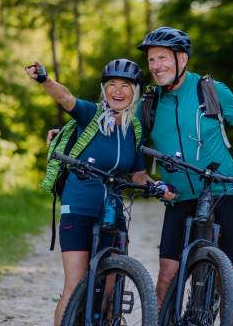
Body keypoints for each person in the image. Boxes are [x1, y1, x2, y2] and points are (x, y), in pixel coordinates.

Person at [135, 26, 233, 326]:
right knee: (166, 277)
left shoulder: (211, 91)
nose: (155, 66)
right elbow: (126, 138)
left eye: (162, 58)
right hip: (178, 198)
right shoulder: (149, 103)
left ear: (183, 59)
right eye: (151, 60)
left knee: (229, 279)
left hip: (222, 194)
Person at [25, 58, 173, 326]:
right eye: (111, 85)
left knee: (110, 290)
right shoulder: (90, 115)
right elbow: (66, 98)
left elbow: (138, 175)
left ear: (135, 92)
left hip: (113, 209)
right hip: (79, 205)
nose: (117, 90)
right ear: (104, 90)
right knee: (75, 286)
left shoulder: (134, 130)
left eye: (125, 85)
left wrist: (158, 186)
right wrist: (44, 79)